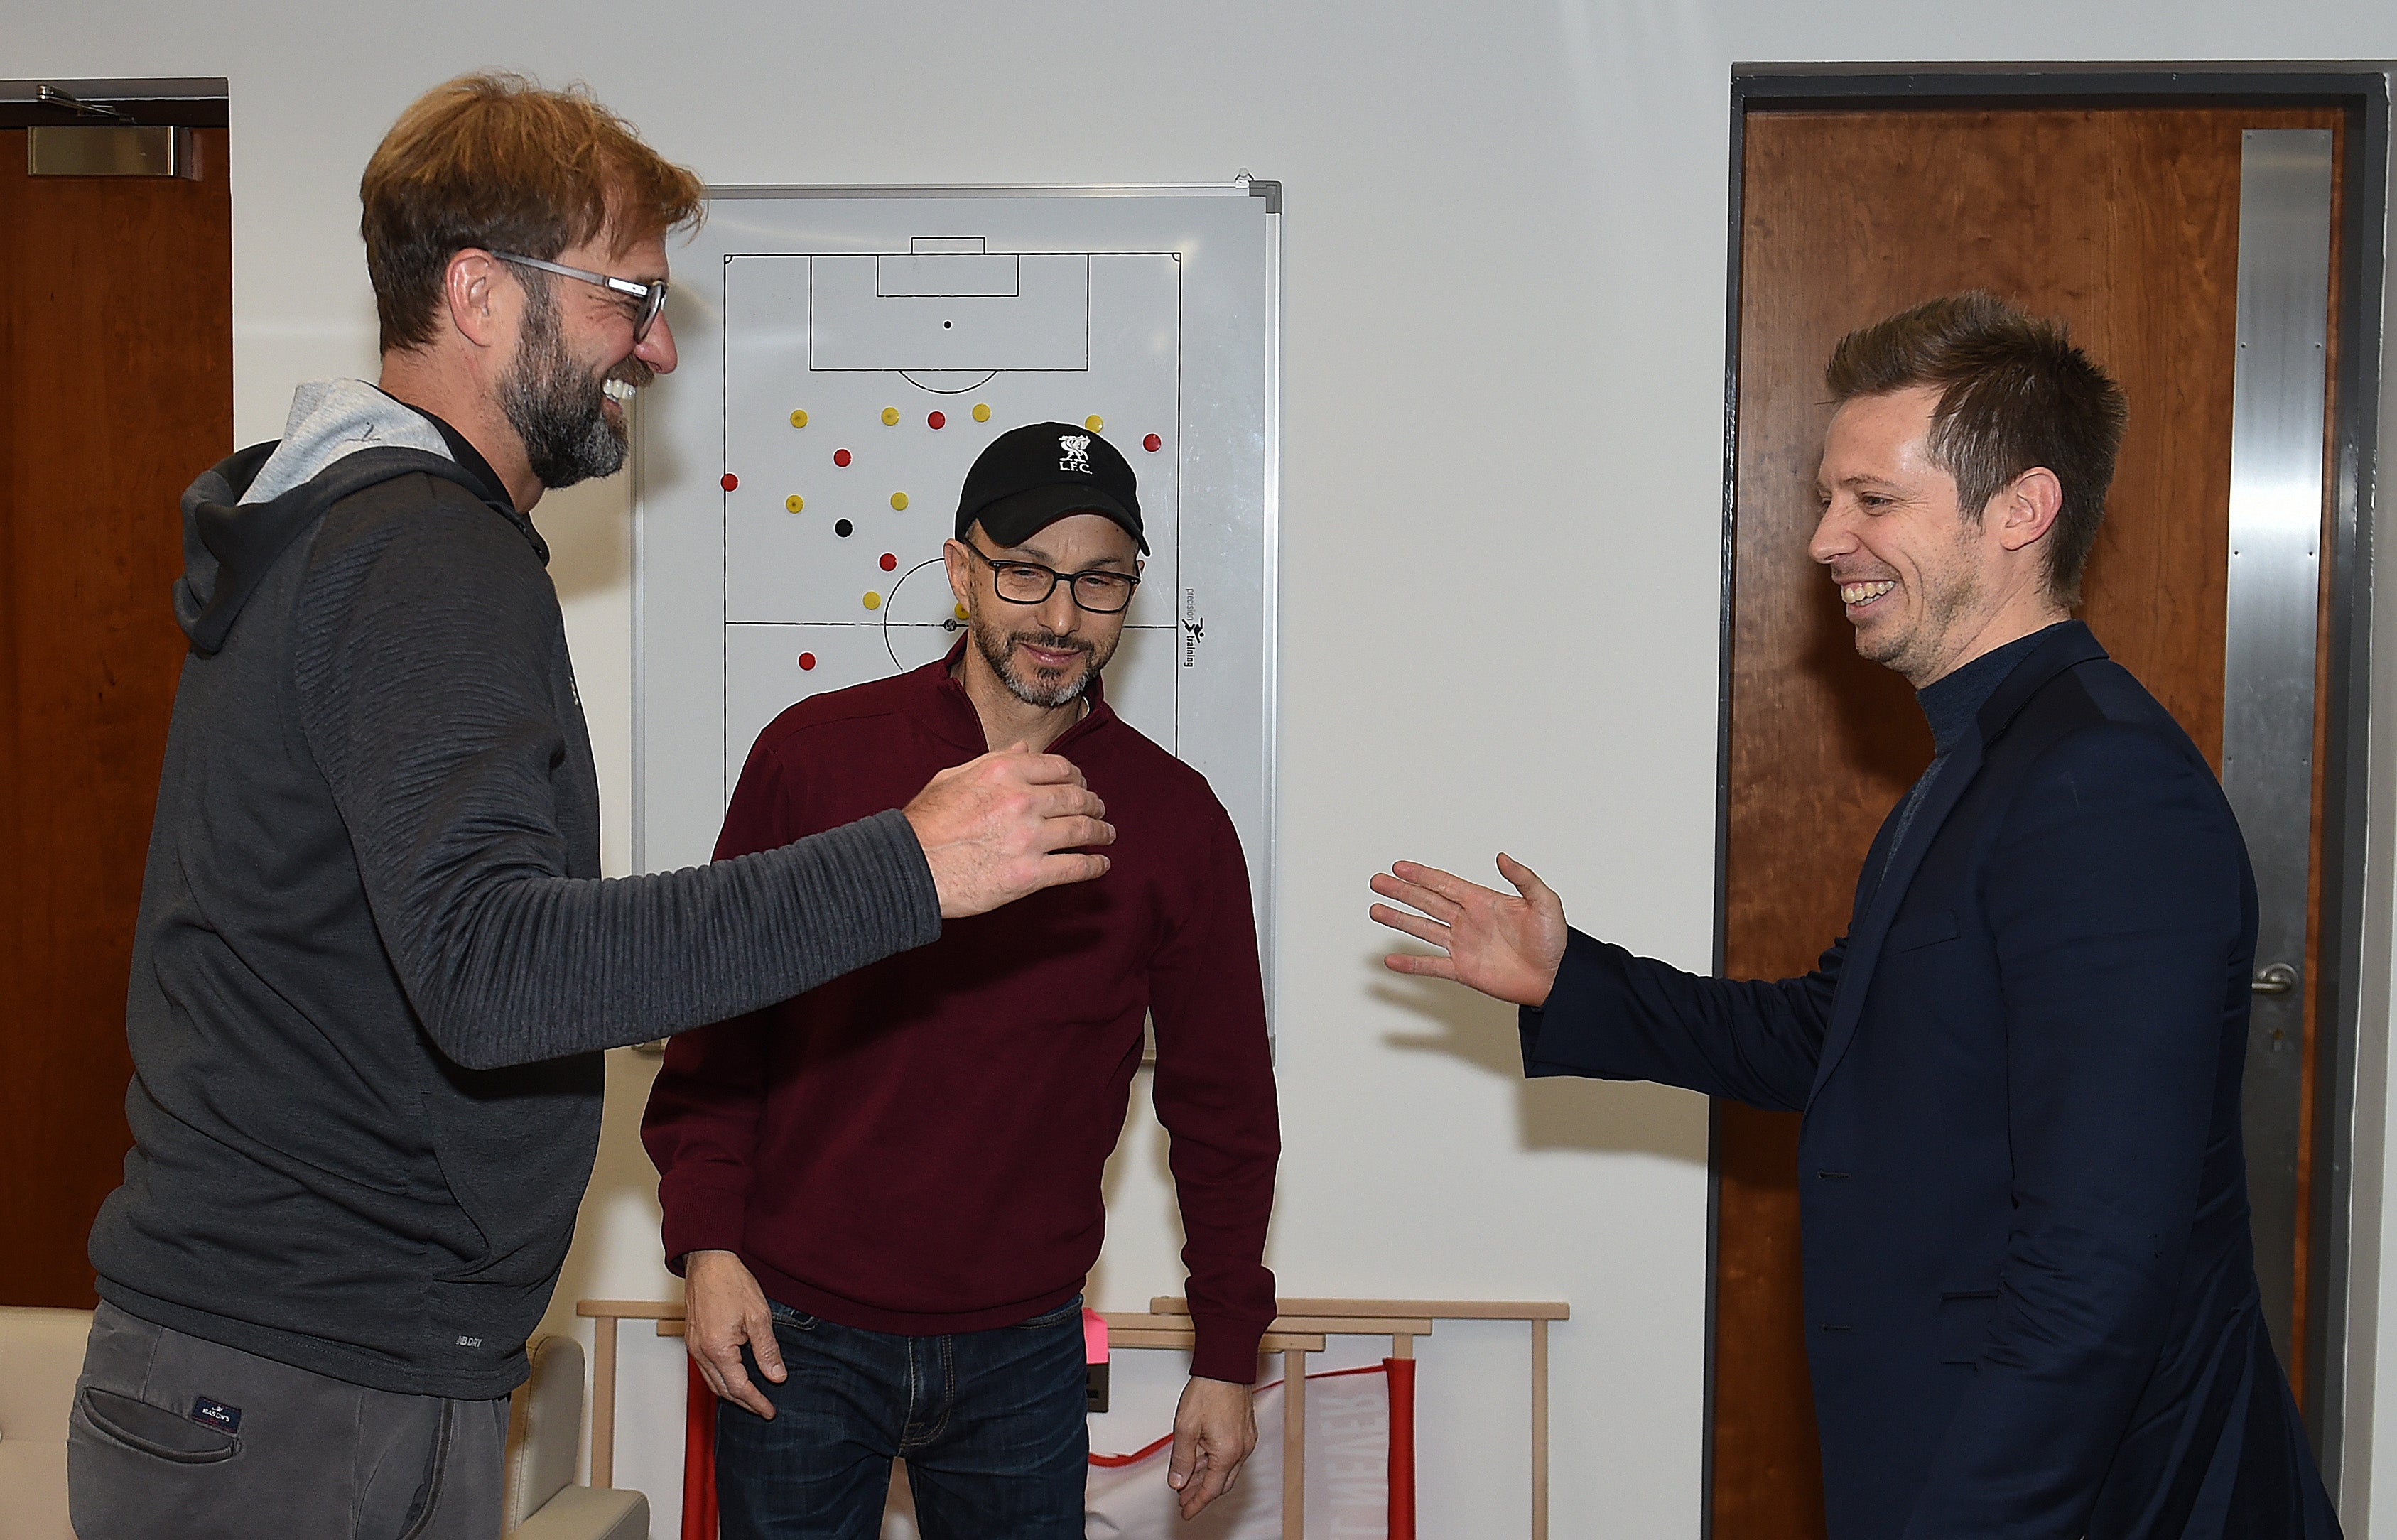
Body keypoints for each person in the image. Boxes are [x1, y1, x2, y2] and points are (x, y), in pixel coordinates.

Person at [68, 77, 1115, 1540]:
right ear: (483, 295)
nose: (659, 344)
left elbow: (439, 956)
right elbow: (497, 974)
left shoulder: (365, 533)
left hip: (289, 1363)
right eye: (630, 296)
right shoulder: (424, 555)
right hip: (305, 1383)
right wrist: (905, 867)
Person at [1367, 293, 2339, 1539]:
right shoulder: (1987, 758)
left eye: (1872, 501)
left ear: (2019, 513)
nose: (1826, 539)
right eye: (1829, 498)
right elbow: (1839, 1034)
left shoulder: (2100, 789)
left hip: (2082, 1492)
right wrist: (1574, 982)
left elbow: (2097, 1268)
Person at [644, 422, 1280, 1538]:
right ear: (958, 572)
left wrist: (1226, 1354)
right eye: (1024, 571)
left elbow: (1222, 1105)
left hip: (1027, 1348)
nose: (1059, 615)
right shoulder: (817, 754)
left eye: (1099, 582)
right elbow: (718, 1021)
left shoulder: (1175, 821)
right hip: (793, 1327)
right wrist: (706, 1243)